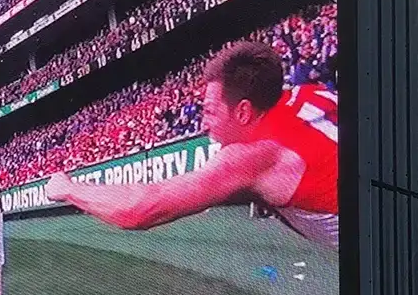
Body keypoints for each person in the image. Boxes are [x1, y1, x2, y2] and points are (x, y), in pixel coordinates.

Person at [45, 39, 338, 250]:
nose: (204, 124)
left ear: (244, 112)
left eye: (210, 111)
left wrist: (68, 188)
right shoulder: (310, 93)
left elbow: (140, 209)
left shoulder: (255, 156)